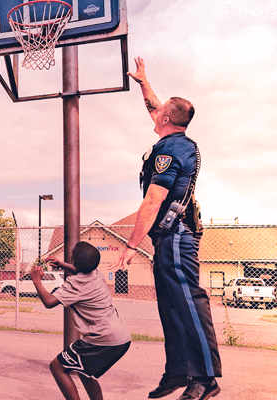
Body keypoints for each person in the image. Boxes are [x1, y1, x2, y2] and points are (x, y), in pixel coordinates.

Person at [109, 57, 221, 400]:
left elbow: (153, 201)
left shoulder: (172, 148)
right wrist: (143, 81)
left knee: (188, 303)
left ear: (167, 120)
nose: (154, 113)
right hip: (167, 240)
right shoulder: (173, 138)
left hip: (176, 237)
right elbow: (157, 107)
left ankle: (206, 377)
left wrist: (130, 246)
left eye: (160, 112)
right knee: (170, 308)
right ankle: (178, 371)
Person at [32, 241, 131, 400]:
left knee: (57, 367)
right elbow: (81, 269)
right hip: (121, 337)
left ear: (75, 262)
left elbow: (49, 302)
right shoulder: (97, 273)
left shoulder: (75, 284)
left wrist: (37, 280)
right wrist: (62, 264)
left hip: (101, 339)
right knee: (84, 370)